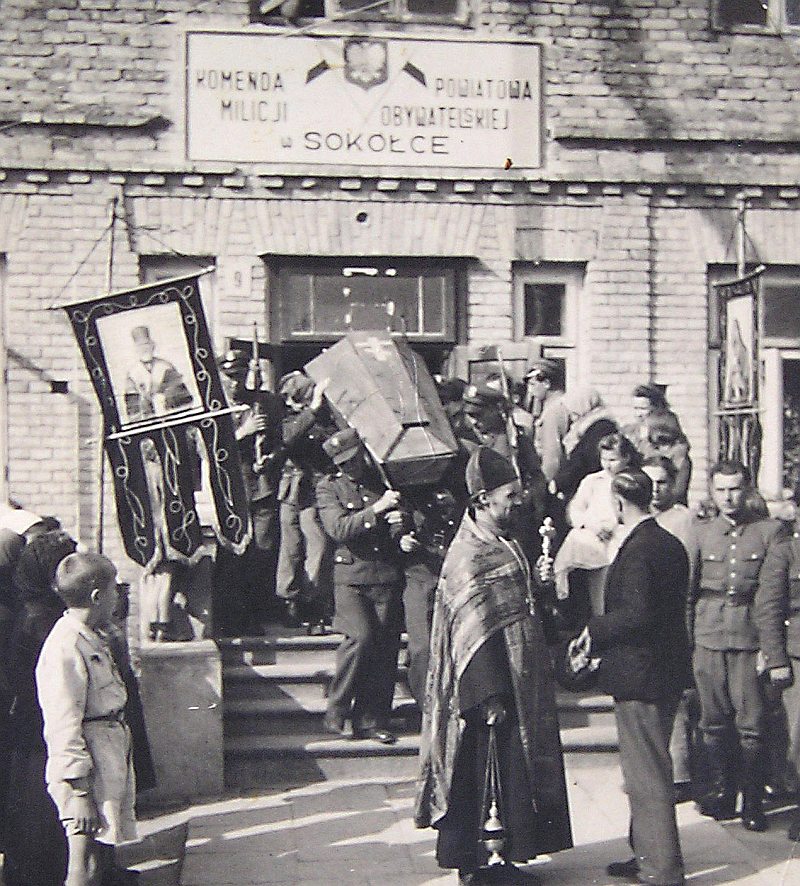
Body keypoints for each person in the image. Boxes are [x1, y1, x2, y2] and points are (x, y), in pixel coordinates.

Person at [415, 446, 572, 885]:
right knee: (482, 772)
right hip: (489, 688)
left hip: (523, 679)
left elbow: (517, 604)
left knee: (512, 772)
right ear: (482, 499)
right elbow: (472, 633)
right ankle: (477, 861)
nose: (517, 502)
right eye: (509, 495)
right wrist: (489, 696)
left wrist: (539, 586)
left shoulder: (506, 541)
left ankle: (509, 856)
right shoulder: (467, 556)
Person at [571, 469, 691, 886]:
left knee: (647, 776)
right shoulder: (668, 542)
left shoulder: (640, 550)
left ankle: (660, 870)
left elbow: (639, 615)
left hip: (643, 676)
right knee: (647, 771)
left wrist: (594, 629)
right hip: (663, 671)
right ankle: (646, 854)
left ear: (620, 504)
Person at [689, 460, 787, 832]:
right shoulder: (701, 532)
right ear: (711, 492)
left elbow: (771, 596)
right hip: (708, 635)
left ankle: (752, 801)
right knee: (713, 722)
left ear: (748, 490)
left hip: (748, 636)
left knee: (752, 724)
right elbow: (689, 593)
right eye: (721, 489)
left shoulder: (769, 532)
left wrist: (770, 649)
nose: (729, 497)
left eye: (735, 489)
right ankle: (723, 793)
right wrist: (688, 644)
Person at [36, 552, 138, 886]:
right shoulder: (65, 647)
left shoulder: (91, 635)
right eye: (114, 590)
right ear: (97, 597)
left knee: (105, 846)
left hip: (108, 750)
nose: (118, 597)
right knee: (82, 861)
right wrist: (77, 791)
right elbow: (62, 724)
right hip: (85, 765)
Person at [316, 428, 405, 745]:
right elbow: (339, 528)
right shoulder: (329, 488)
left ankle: (372, 719)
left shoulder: (382, 480)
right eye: (342, 464)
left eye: (352, 461)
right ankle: (337, 710)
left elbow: (397, 523)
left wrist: (399, 525)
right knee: (360, 637)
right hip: (351, 577)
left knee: (384, 650)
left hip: (385, 574)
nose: (348, 468)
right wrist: (378, 510)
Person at [2, 530, 77, 886]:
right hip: (39, 727)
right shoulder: (38, 619)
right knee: (40, 810)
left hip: (32, 725)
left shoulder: (33, 611)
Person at [642, 456, 700, 805]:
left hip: (676, 617)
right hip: (645, 623)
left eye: (663, 481)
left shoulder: (683, 519)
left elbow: (689, 577)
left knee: (676, 700)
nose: (656, 488)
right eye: (650, 481)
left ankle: (681, 774)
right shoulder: (636, 518)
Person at [214, 349, 284, 635]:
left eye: (240, 376)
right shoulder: (216, 408)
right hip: (232, 492)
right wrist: (243, 433)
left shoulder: (263, 402)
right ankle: (230, 618)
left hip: (262, 489)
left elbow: (281, 441)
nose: (235, 383)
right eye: (230, 377)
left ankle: (255, 614)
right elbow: (211, 450)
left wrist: (271, 457)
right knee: (234, 554)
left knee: (263, 552)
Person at [275, 371, 335, 633]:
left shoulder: (324, 419)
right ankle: (289, 600)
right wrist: (310, 411)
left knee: (318, 547)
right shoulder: (289, 418)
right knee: (290, 549)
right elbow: (288, 438)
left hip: (315, 491)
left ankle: (313, 604)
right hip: (291, 490)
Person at [553, 432, 639, 616]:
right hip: (596, 542)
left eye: (613, 459)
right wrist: (591, 526)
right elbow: (575, 510)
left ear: (626, 457)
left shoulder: (635, 481)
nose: (608, 465)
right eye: (604, 459)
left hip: (623, 538)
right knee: (599, 592)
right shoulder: (593, 481)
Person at [757, 505, 800, 840]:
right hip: (797, 657)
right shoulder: (786, 552)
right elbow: (770, 606)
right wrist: (776, 660)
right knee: (797, 741)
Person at [551, 387, 617, 504]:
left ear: (583, 405)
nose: (571, 415)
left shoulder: (600, 428)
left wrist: (560, 482)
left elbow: (583, 460)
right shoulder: (586, 425)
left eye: (573, 410)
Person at [123, 325, 193, 422]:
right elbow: (132, 407)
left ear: (153, 345)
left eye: (146, 344)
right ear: (135, 349)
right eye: (140, 346)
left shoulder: (165, 366)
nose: (144, 349)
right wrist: (143, 403)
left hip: (171, 416)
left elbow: (182, 395)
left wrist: (164, 398)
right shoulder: (132, 374)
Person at [524, 358, 569, 483]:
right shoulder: (559, 405)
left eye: (533, 384)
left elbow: (552, 457)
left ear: (547, 383)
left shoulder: (553, 411)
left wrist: (544, 484)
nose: (530, 391)